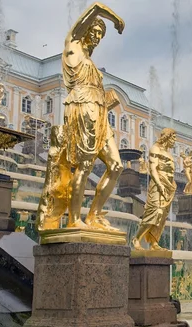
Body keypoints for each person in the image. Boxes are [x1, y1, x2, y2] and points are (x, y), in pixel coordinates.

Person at [61, 2, 124, 230]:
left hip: (100, 114)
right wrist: (115, 19)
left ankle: (94, 215)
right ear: (85, 31)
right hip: (82, 109)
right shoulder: (73, 46)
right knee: (85, 166)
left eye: (100, 34)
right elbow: (96, 7)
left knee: (116, 166)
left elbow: (96, 93)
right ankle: (73, 219)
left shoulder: (92, 62)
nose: (97, 37)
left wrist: (109, 99)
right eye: (95, 32)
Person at [131, 128, 177, 250]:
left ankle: (154, 242)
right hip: (157, 185)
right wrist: (159, 184)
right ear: (166, 137)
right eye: (173, 138)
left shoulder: (169, 154)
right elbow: (152, 169)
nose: (174, 141)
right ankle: (136, 238)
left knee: (162, 216)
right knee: (155, 212)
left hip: (169, 187)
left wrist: (171, 185)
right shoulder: (155, 148)